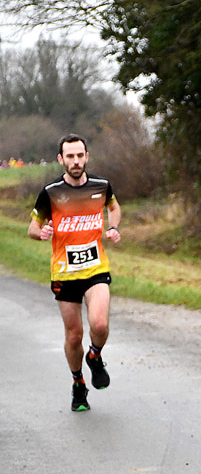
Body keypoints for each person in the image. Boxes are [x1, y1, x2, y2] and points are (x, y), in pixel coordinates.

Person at [28, 134, 121, 412]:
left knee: (99, 325)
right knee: (73, 335)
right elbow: (32, 227)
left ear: (87, 156)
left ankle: (95, 356)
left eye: (80, 155)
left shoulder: (101, 186)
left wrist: (112, 227)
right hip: (65, 273)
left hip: (95, 268)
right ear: (61, 159)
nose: (76, 161)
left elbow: (114, 208)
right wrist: (41, 232)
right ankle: (78, 383)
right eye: (70, 156)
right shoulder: (51, 192)